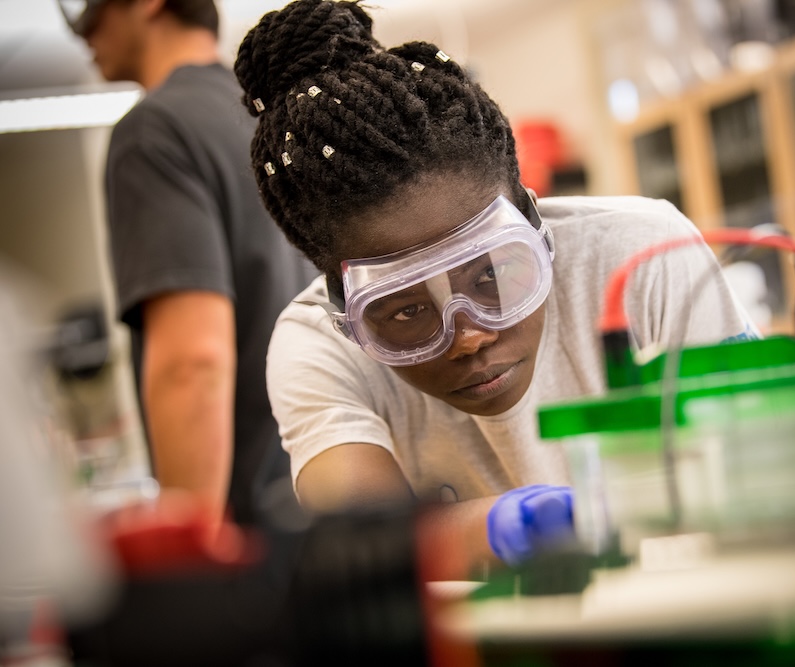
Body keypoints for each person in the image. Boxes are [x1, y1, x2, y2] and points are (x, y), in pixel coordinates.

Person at [234, 0, 757, 576]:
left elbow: (761, 465)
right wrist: (517, 525)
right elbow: (370, 552)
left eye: (493, 275)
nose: (469, 336)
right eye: (405, 312)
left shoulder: (643, 253)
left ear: (535, 224)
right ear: (343, 308)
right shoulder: (317, 345)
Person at [62, 0, 317, 529]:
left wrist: (188, 553)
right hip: (316, 499)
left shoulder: (154, 132)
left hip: (246, 535)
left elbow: (192, 363)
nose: (82, 30)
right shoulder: (271, 116)